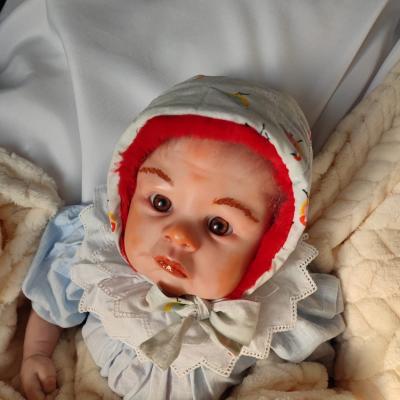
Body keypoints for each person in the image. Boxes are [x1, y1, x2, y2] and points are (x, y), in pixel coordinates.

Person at [20, 76, 344, 400]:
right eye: (161, 203)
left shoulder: (277, 308)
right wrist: (37, 352)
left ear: (267, 249)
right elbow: (52, 297)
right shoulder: (97, 254)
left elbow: (304, 375)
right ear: (129, 193)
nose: (178, 235)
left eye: (218, 225)